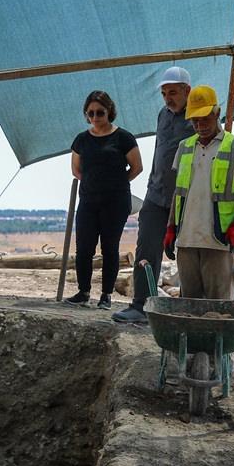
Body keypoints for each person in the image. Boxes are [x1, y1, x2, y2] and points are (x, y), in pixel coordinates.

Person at [113, 66, 194, 324]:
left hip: (187, 200)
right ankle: (142, 306)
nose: (168, 98)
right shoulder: (163, 115)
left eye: (173, 92)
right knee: (146, 248)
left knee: (191, 254)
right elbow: (160, 152)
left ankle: (190, 311)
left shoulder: (199, 118)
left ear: (187, 91)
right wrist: (150, 185)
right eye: (164, 93)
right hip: (156, 195)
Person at [162, 85, 234, 299]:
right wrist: (171, 227)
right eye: (195, 120)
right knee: (189, 306)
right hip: (187, 240)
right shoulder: (185, 147)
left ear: (217, 113)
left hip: (218, 240)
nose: (200, 125)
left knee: (218, 307)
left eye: (205, 118)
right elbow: (179, 193)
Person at [66, 90, 143, 309]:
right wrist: (93, 184)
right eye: (90, 113)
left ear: (109, 111)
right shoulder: (81, 139)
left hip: (115, 202)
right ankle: (83, 292)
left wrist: (117, 183)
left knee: (110, 248)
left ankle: (106, 295)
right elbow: (76, 170)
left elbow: (137, 167)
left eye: (100, 112)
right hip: (88, 202)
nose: (95, 117)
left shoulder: (123, 138)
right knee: (84, 248)